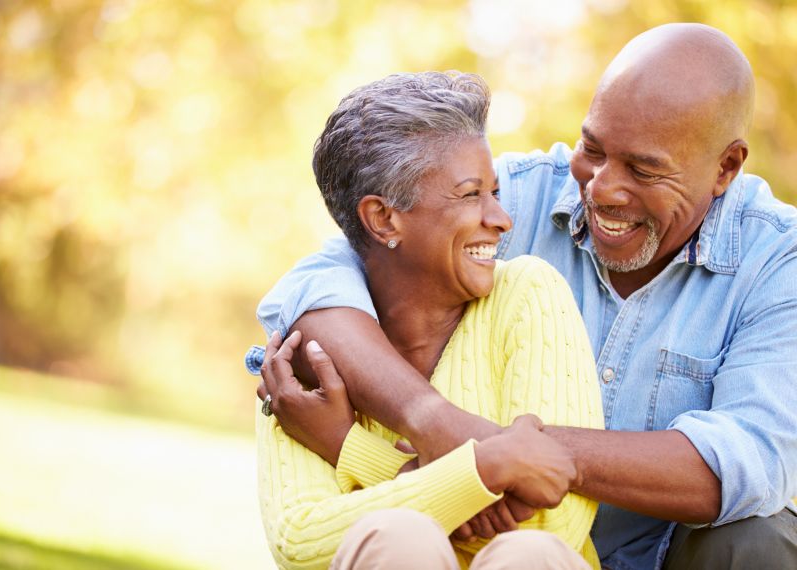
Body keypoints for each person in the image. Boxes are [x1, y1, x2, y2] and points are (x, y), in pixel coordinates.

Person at [254, 23, 797, 569]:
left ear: (726, 167)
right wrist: (435, 422)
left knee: (760, 538)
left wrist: (487, 456)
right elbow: (320, 283)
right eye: (593, 148)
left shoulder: (778, 261)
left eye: (644, 169)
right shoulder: (512, 193)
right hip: (495, 552)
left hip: (658, 555)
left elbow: (746, 462)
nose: (602, 189)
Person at [248, 71, 605, 569]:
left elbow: (554, 523)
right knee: (396, 539)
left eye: (496, 193)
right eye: (469, 195)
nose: (502, 219)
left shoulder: (528, 293)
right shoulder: (305, 355)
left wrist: (349, 448)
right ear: (383, 219)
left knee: (528, 554)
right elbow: (301, 542)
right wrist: (486, 469)